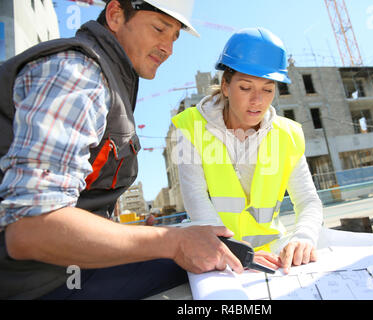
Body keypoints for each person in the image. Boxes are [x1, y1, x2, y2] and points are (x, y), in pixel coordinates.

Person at [0, 0, 244, 300]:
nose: (168, 48)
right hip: (31, 282)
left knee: (215, 259)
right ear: (115, 15)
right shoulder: (77, 73)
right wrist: (170, 242)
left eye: (175, 37)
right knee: (205, 274)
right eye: (159, 28)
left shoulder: (112, 78)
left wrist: (141, 233)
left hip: (57, 270)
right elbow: (30, 229)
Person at [172, 28, 323, 274]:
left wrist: (304, 237)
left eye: (267, 89)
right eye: (245, 88)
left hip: (275, 260)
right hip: (217, 256)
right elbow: (195, 199)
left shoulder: (288, 136)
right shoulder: (190, 128)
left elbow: (308, 201)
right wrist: (235, 251)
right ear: (225, 86)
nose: (257, 101)